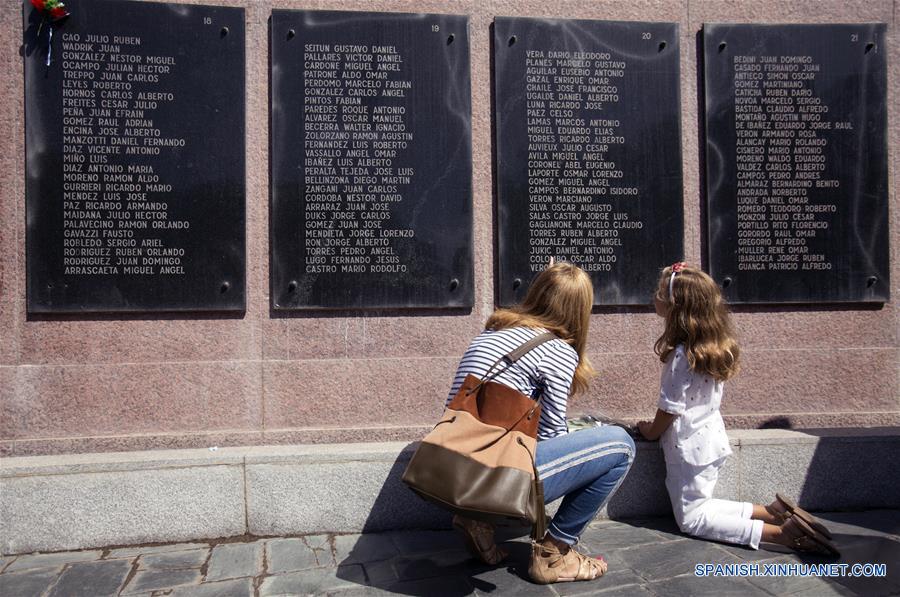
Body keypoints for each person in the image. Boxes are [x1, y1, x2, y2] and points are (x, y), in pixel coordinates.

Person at [447, 260, 635, 584]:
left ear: (537, 293)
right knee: (621, 445)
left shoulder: (495, 332)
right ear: (580, 311)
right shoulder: (557, 350)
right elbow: (550, 438)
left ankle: (479, 519)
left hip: (455, 469)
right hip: (496, 478)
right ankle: (554, 554)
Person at [637, 263, 839, 556]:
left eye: (658, 292)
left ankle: (781, 533)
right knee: (700, 505)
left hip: (688, 449)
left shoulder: (682, 355)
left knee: (692, 520)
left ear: (675, 306)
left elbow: (669, 408)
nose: (653, 297)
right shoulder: (711, 348)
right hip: (710, 442)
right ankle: (771, 511)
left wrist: (650, 431)